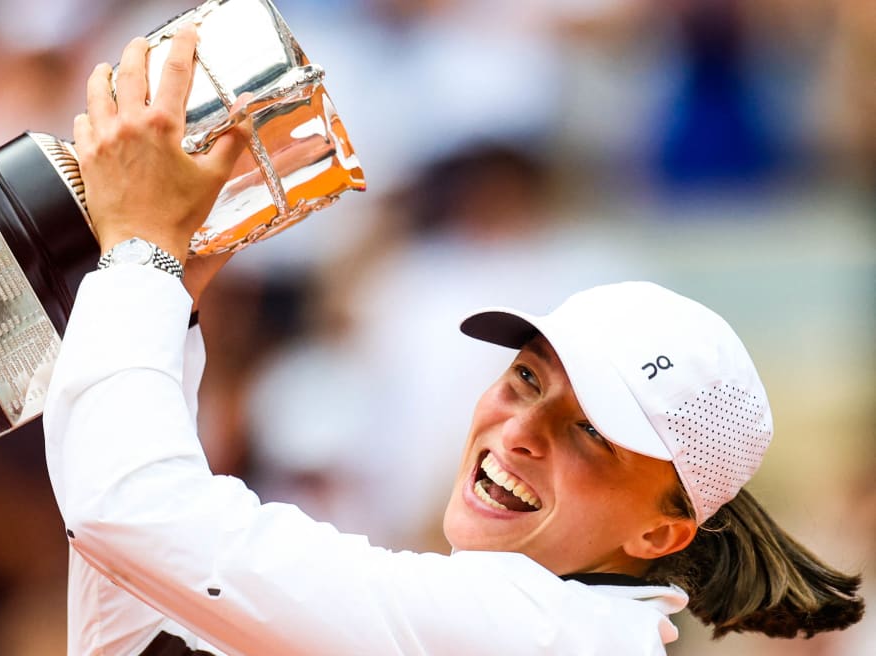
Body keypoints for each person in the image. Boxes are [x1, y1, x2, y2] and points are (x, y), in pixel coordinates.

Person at [43, 30, 865, 655]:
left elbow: (133, 517)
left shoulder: (539, 631)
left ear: (660, 535)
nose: (520, 432)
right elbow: (129, 572)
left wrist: (142, 256)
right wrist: (164, 296)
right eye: (526, 379)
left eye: (590, 434)